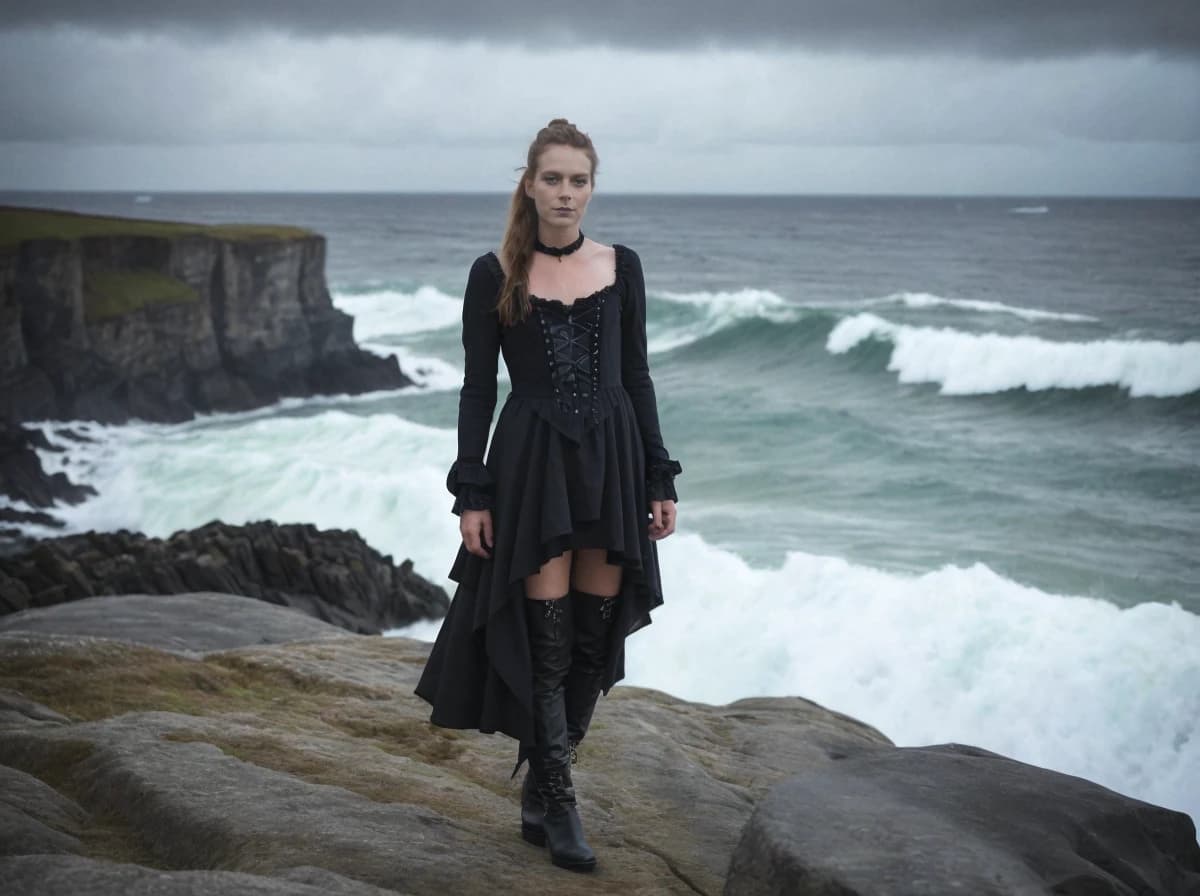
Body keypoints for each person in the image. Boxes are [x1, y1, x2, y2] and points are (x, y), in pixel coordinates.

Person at [414, 118, 682, 874]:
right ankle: (559, 801)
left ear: (592, 187)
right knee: (549, 635)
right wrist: (472, 492)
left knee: (595, 636)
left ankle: (543, 775)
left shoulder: (621, 265)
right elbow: (475, 388)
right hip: (532, 464)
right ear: (529, 184)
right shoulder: (493, 272)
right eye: (553, 178)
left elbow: (637, 375)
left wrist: (659, 476)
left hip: (615, 458)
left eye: (579, 180)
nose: (566, 193)